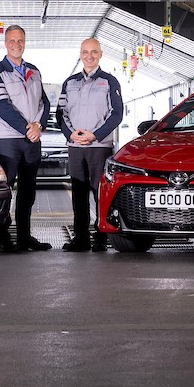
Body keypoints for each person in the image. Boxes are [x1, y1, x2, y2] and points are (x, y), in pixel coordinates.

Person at [0, 24, 52, 253]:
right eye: (12, 41)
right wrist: (28, 128)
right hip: (8, 141)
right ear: (5, 43)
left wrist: (39, 125)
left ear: (25, 42)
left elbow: (45, 103)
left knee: (28, 192)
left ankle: (24, 238)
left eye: (20, 40)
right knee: (5, 190)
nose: (17, 44)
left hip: (32, 141)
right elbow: (1, 105)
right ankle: (3, 239)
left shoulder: (34, 71)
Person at [58, 37, 124, 252]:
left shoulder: (109, 81)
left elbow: (117, 114)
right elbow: (61, 113)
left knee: (100, 193)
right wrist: (70, 134)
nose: (89, 56)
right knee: (78, 194)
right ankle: (81, 239)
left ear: (100, 54)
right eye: (85, 52)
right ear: (80, 54)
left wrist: (95, 135)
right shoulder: (69, 83)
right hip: (75, 147)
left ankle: (101, 238)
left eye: (94, 52)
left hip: (99, 147)